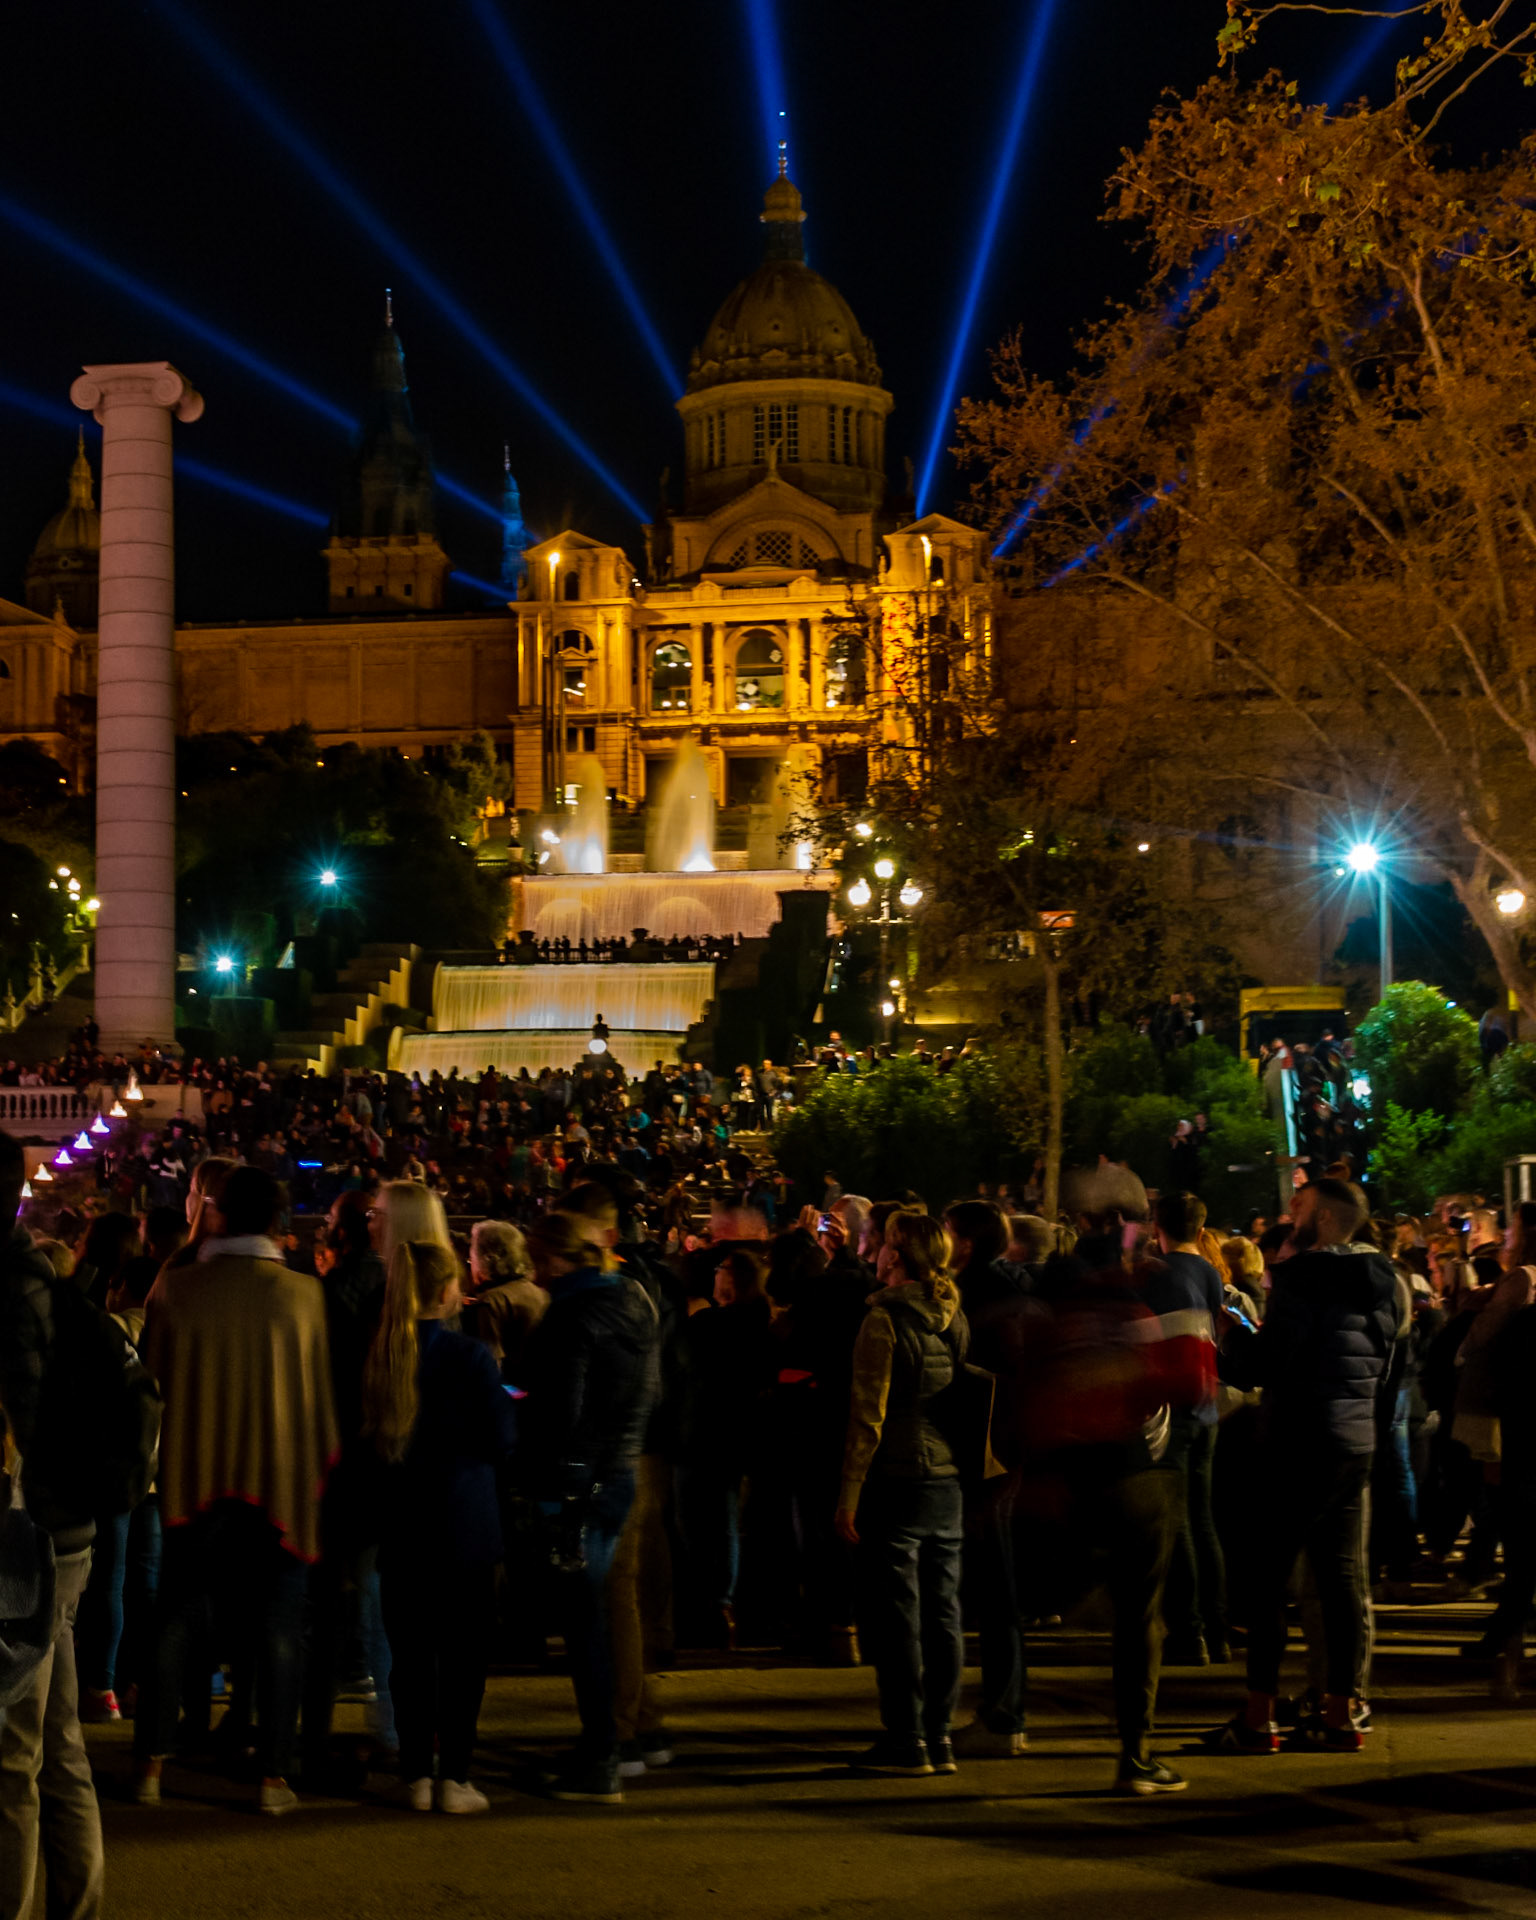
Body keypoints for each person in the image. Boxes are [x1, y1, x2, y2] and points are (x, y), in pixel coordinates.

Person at [135, 1166, 339, 1814]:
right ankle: (273, 1776)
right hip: (277, 1478)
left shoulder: (179, 1287)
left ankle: (150, 1766)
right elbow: (318, 1402)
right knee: (279, 1625)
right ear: (280, 1222)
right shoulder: (303, 1294)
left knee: (174, 1620)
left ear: (217, 1214)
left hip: (195, 1475)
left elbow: (149, 1382)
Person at [1213, 1178, 1397, 1753]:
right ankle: (1340, 1712)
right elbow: (1388, 1366)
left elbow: (1262, 1364)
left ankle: (1258, 1716)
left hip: (1298, 1443)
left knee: (1266, 1581)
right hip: (1354, 1442)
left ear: (1322, 1220)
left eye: (1298, 1206)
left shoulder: (1302, 1280)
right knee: (1340, 1580)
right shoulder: (1385, 1282)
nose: (1288, 1213)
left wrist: (1230, 1336)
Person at [0, 1128, 116, 1920]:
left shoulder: (8, 1285)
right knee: (59, 1738)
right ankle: (77, 1904)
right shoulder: (37, 1273)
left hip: (21, 1534)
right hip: (66, 1530)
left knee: (12, 1751)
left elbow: (22, 1420)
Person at [364, 1241, 516, 1813]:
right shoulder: (470, 1357)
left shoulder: (381, 1353)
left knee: (410, 1656)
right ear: (448, 1289)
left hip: (402, 1523)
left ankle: (415, 1773)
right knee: (463, 1656)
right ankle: (456, 1773)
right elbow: (501, 1439)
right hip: (464, 1522)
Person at [520, 1210, 659, 1804]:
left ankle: (601, 1753)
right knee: (593, 1615)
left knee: (583, 1622)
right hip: (619, 1467)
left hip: (578, 1479)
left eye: (536, 1259)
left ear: (556, 1258)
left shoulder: (570, 1316)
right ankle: (600, 1743)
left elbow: (559, 1408)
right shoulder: (632, 1299)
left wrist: (511, 1393)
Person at [837, 1211, 967, 1777]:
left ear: (898, 1256)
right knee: (943, 1611)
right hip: (947, 1477)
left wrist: (848, 1492)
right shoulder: (953, 1315)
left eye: (885, 1243)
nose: (877, 1251)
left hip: (898, 1477)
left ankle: (905, 1737)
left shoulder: (885, 1321)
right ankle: (939, 1734)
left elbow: (869, 1415)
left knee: (896, 1616)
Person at [942, 1200, 1033, 1756]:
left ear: (967, 1244)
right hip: (1006, 1452)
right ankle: (1005, 1709)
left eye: (948, 1234)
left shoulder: (975, 1298)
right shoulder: (1013, 1289)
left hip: (988, 1454)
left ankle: (1004, 1714)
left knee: (996, 1591)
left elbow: (987, 1375)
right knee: (999, 1591)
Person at [1144, 1192, 1227, 1667]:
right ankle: (1216, 1629)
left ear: (1159, 1225)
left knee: (1178, 1524)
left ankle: (1189, 1630)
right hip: (1206, 1408)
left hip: (1172, 1410)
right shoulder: (1210, 1273)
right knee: (1202, 1518)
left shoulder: (1158, 1276)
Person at [466, 1219, 547, 1380]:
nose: (471, 1265)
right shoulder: (539, 1292)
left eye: (471, 1259)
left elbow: (490, 1366)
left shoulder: (491, 1303)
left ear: (487, 1258)